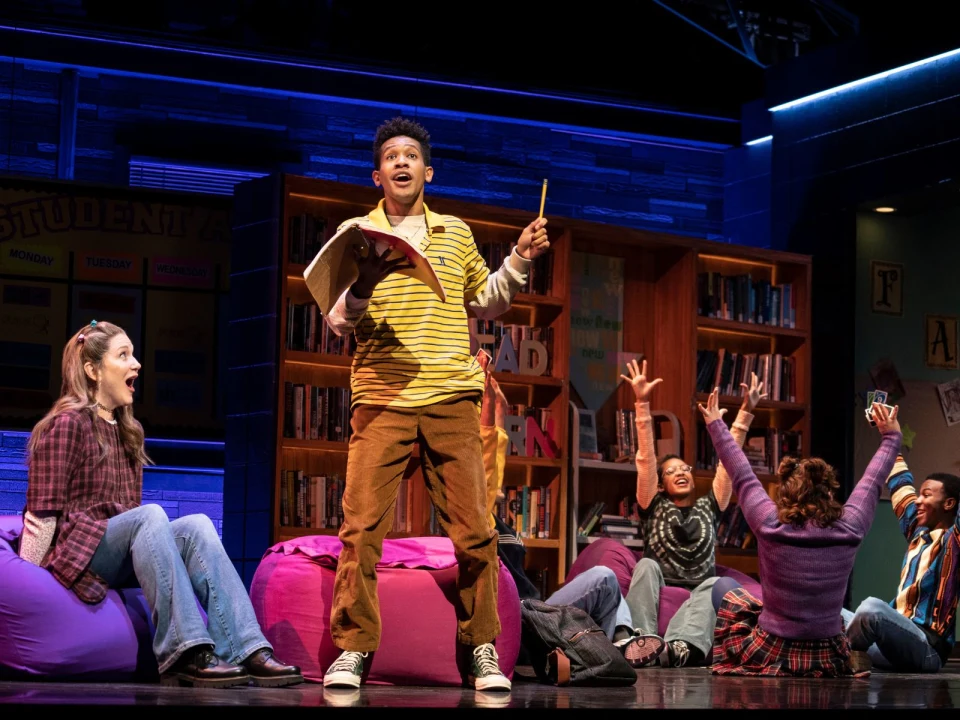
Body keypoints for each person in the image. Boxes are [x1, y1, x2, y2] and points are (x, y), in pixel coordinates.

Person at [321, 116, 550, 692]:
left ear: (428, 169)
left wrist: (519, 257)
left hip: (450, 396)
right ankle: (352, 650)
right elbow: (336, 320)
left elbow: (487, 302)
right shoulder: (357, 233)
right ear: (377, 175)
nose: (401, 163)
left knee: (476, 530)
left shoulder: (455, 232)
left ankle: (481, 651)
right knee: (360, 528)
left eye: (411, 156)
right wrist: (365, 281)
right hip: (381, 398)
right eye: (391, 157)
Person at [18, 320, 302, 688]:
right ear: (93, 370)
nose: (136, 364)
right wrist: (28, 580)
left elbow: (135, 524)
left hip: (119, 549)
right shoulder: (67, 424)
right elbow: (42, 510)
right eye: (123, 355)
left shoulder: (127, 430)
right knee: (150, 515)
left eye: (134, 355)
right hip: (80, 550)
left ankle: (246, 648)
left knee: (198, 524)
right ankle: (184, 652)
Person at [699, 389, 902, 676]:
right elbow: (874, 479)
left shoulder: (769, 522)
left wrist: (715, 424)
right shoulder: (850, 526)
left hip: (772, 648)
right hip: (827, 654)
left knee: (723, 586)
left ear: (785, 491)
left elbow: (740, 473)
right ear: (830, 491)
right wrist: (891, 437)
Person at [478, 354, 664, 667]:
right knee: (604, 577)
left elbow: (494, 451)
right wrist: (486, 402)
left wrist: (498, 409)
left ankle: (620, 645)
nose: (497, 483)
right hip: (524, 619)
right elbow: (486, 454)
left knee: (604, 581)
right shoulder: (477, 519)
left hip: (536, 612)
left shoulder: (499, 522)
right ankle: (622, 643)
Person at [623, 359, 764, 668]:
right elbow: (646, 460)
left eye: (685, 468)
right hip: (661, 579)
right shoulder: (653, 505)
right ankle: (638, 642)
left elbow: (729, 467)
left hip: (699, 585)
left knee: (715, 585)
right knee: (644, 564)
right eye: (672, 471)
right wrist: (643, 404)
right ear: (660, 484)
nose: (682, 472)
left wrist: (744, 414)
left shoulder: (708, 506)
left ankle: (677, 649)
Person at [841, 452, 960, 673]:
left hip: (926, 651)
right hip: (891, 647)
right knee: (830, 611)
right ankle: (844, 654)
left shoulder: (954, 542)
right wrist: (890, 435)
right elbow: (901, 485)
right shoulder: (917, 532)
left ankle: (841, 657)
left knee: (871, 609)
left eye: (926, 495)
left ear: (949, 503)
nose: (918, 500)